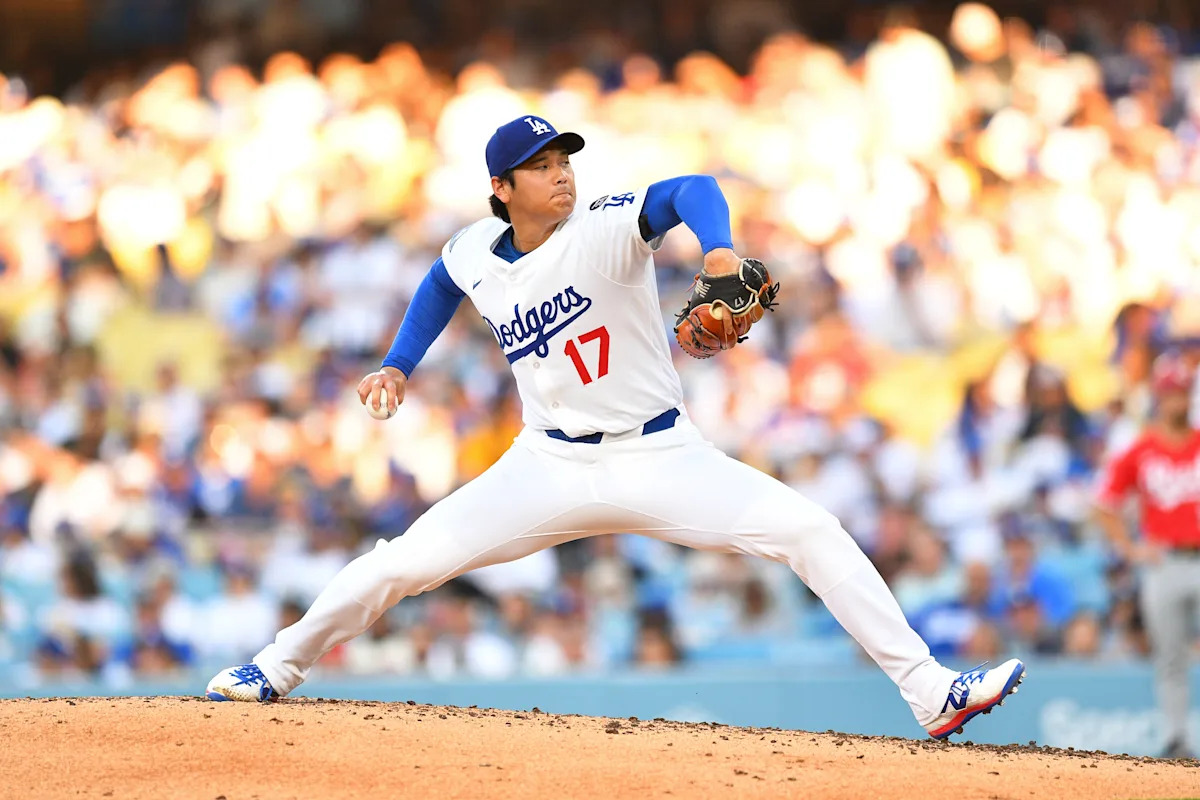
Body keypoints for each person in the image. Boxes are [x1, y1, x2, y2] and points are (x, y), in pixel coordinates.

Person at [205, 115, 1026, 739]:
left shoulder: (602, 223)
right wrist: (398, 363)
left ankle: (930, 692)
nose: (560, 176)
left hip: (658, 454)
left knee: (811, 529)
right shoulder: (475, 249)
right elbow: (441, 282)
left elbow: (688, 189)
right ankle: (272, 670)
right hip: (545, 466)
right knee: (401, 563)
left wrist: (717, 250)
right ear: (502, 190)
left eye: (564, 161)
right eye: (540, 168)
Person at [1094, 353, 1200, 759]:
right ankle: (1177, 740)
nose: (1180, 401)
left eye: (1185, 392)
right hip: (1165, 561)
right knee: (1170, 656)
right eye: (1173, 392)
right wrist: (1130, 548)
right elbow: (1105, 504)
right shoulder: (1141, 449)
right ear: (1159, 396)